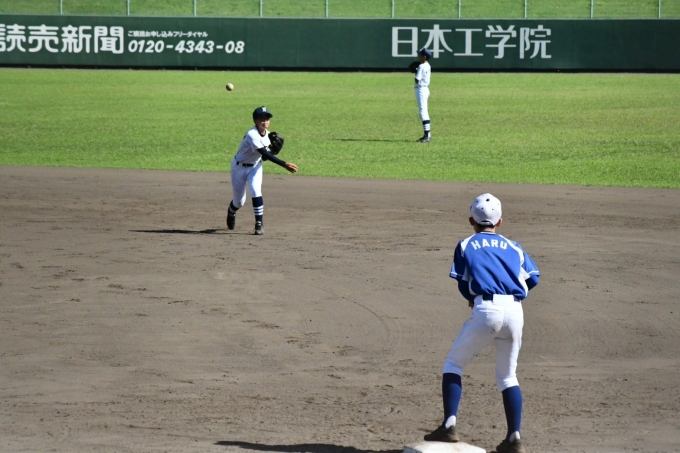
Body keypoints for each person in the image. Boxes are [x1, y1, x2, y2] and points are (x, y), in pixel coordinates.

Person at [424, 194, 540, 453]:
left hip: (487, 309)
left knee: (454, 364)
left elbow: (462, 282)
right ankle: (514, 437)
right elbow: (533, 279)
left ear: (471, 221)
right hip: (515, 312)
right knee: (508, 376)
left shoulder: (466, 244)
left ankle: (449, 425)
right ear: (500, 221)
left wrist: (472, 298)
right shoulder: (514, 246)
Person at [226, 106, 298, 235]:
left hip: (255, 167)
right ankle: (231, 212)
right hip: (239, 167)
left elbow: (263, 157)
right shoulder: (252, 134)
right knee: (239, 202)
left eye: (267, 119)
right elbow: (264, 154)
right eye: (261, 119)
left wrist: (273, 150)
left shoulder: (268, 136)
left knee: (256, 191)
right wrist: (284, 164)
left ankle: (259, 224)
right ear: (255, 120)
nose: (265, 122)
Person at [414, 48, 432, 143]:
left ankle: (427, 136)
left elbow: (417, 80)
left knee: (423, 112)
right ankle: (427, 135)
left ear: (424, 57)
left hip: (421, 89)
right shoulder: (427, 65)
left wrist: (416, 71)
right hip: (425, 89)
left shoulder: (421, 66)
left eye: (420, 55)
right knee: (424, 112)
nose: (419, 56)